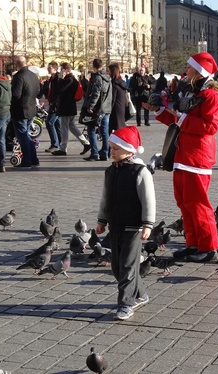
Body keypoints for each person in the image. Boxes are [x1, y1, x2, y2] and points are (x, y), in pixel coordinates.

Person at [143, 52, 218, 263]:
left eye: (189, 67)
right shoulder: (194, 92)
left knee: (198, 204)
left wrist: (182, 119)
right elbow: (179, 121)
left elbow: (211, 127)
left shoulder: (211, 96)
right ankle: (193, 244)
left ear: (199, 71)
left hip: (197, 157)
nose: (185, 70)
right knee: (185, 203)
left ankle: (209, 247)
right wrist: (160, 110)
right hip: (183, 156)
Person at [95, 125, 156, 320]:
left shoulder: (140, 172)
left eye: (115, 148)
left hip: (133, 227)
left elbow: (148, 199)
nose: (111, 152)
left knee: (128, 266)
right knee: (117, 267)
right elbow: (105, 197)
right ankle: (140, 293)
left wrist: (148, 224)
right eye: (111, 148)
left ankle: (125, 304)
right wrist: (101, 220)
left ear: (129, 149)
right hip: (115, 225)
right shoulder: (110, 172)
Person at [51, 62, 91, 156]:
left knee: (64, 128)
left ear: (67, 70)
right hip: (69, 107)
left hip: (67, 107)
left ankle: (63, 148)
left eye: (62, 69)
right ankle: (86, 143)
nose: (60, 72)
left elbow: (61, 89)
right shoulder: (69, 79)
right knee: (72, 127)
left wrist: (61, 78)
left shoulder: (70, 80)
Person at [11, 55, 41, 168]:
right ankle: (34, 159)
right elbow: (38, 90)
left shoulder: (19, 76)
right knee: (26, 135)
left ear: (17, 64)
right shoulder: (33, 75)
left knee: (23, 137)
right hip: (31, 109)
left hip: (21, 110)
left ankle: (27, 160)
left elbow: (16, 94)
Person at [82, 58, 112, 161]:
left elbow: (96, 93)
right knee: (104, 131)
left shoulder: (97, 77)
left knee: (91, 129)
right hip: (106, 108)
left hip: (98, 108)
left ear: (94, 67)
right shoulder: (108, 77)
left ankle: (94, 153)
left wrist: (91, 106)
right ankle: (105, 152)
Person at [44, 61, 61, 153]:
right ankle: (59, 144)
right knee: (56, 124)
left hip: (56, 105)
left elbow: (59, 93)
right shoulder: (52, 78)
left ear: (55, 69)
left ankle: (55, 144)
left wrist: (55, 103)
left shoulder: (57, 79)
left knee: (49, 123)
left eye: (49, 68)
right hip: (53, 103)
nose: (48, 69)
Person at [108, 63, 128, 132]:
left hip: (115, 109)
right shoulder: (121, 82)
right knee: (119, 127)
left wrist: (108, 109)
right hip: (121, 107)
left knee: (113, 128)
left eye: (108, 71)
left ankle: (113, 142)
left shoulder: (114, 84)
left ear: (112, 72)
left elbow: (112, 98)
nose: (108, 73)